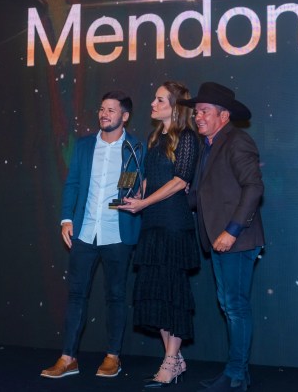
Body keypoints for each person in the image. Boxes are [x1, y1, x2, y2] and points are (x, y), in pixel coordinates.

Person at [40, 91, 144, 380]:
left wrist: (138, 193)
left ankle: (113, 356)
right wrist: (66, 219)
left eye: (111, 110)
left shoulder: (135, 147)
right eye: (102, 109)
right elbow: (72, 183)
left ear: (125, 116)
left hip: (118, 233)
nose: (104, 114)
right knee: (76, 295)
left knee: (116, 296)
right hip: (84, 233)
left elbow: (134, 185)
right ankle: (68, 358)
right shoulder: (85, 145)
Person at [178, 82, 264, 392]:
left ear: (224, 115)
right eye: (197, 112)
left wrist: (232, 231)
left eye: (204, 111)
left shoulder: (237, 141)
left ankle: (236, 375)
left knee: (235, 307)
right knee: (229, 306)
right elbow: (203, 194)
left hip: (235, 240)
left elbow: (254, 187)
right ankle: (236, 373)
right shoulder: (209, 145)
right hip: (218, 239)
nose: (197, 117)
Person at [117, 81, 199, 388]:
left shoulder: (187, 137)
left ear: (175, 106)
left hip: (173, 224)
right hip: (152, 224)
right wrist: (136, 195)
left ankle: (170, 360)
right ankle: (173, 359)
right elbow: (150, 178)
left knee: (172, 291)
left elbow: (180, 181)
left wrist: (145, 202)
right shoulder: (155, 138)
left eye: (160, 99)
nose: (153, 103)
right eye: (154, 99)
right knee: (156, 291)